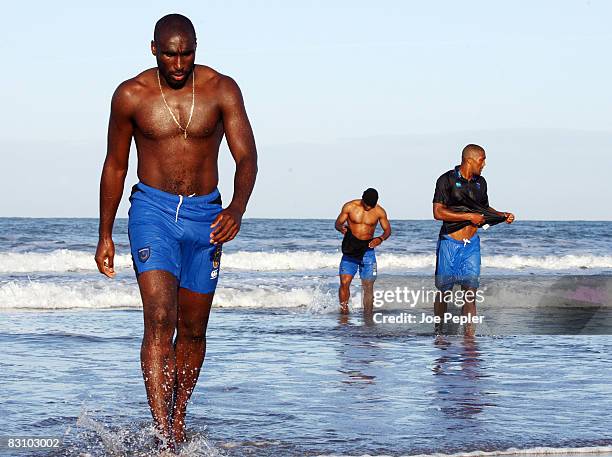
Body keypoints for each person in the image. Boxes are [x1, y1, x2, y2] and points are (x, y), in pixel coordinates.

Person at [94, 14, 257, 447]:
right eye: (170, 53)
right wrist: (105, 234)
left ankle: (178, 416)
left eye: (186, 52)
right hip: (152, 210)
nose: (179, 62)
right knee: (160, 319)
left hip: (207, 215)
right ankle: (164, 437)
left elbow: (247, 157)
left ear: (196, 47)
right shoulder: (131, 95)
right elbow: (115, 165)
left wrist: (238, 208)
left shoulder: (222, 89)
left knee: (195, 329)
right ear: (153, 49)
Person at [432, 144, 514, 336]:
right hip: (450, 242)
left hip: (472, 245)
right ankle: (439, 332)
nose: (484, 164)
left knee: (470, 293)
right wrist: (469, 217)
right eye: (482, 159)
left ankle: (470, 338)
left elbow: (484, 209)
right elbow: (438, 212)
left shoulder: (481, 182)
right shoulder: (446, 180)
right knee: (444, 291)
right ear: (470, 159)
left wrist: (502, 215)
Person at [335, 188, 391, 317]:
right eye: (367, 205)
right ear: (362, 199)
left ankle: (368, 316)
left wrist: (380, 238)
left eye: (372, 206)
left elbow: (387, 230)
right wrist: (340, 228)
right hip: (351, 247)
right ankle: (344, 313)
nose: (369, 208)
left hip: (368, 249)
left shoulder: (379, 211)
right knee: (344, 282)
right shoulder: (349, 206)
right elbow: (338, 223)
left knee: (368, 286)